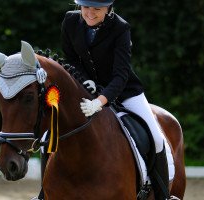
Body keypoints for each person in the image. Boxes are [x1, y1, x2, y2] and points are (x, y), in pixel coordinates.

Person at [61, 1, 180, 200]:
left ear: (108, 9)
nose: (90, 13)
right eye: (85, 7)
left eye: (97, 9)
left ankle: (163, 195)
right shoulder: (70, 21)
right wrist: (85, 80)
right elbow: (71, 58)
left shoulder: (120, 28)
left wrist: (100, 101)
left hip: (125, 92)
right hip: (86, 89)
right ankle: (43, 193)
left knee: (157, 138)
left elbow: (121, 75)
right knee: (54, 131)